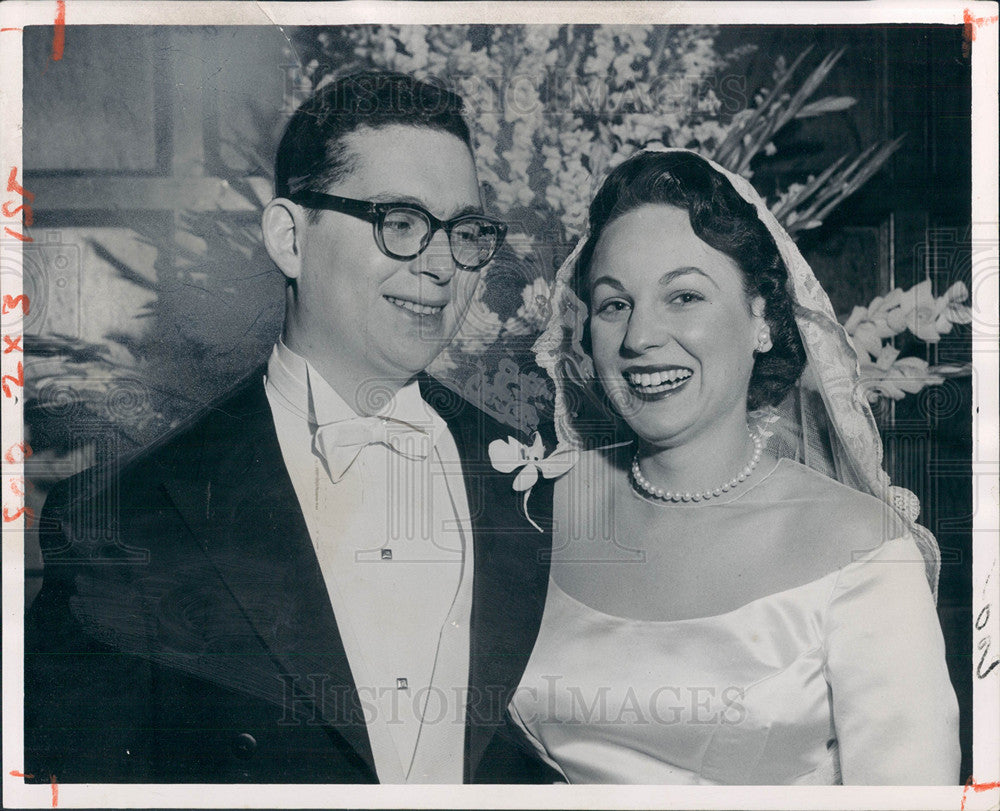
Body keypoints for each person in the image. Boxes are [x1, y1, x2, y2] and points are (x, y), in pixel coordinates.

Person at [24, 72, 558, 784]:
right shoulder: (126, 519)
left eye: (465, 231)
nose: (440, 265)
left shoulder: (529, 480)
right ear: (289, 237)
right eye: (399, 222)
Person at [513, 148, 961, 784]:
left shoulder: (864, 547)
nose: (640, 337)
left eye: (684, 296)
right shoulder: (541, 504)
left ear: (761, 320)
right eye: (615, 304)